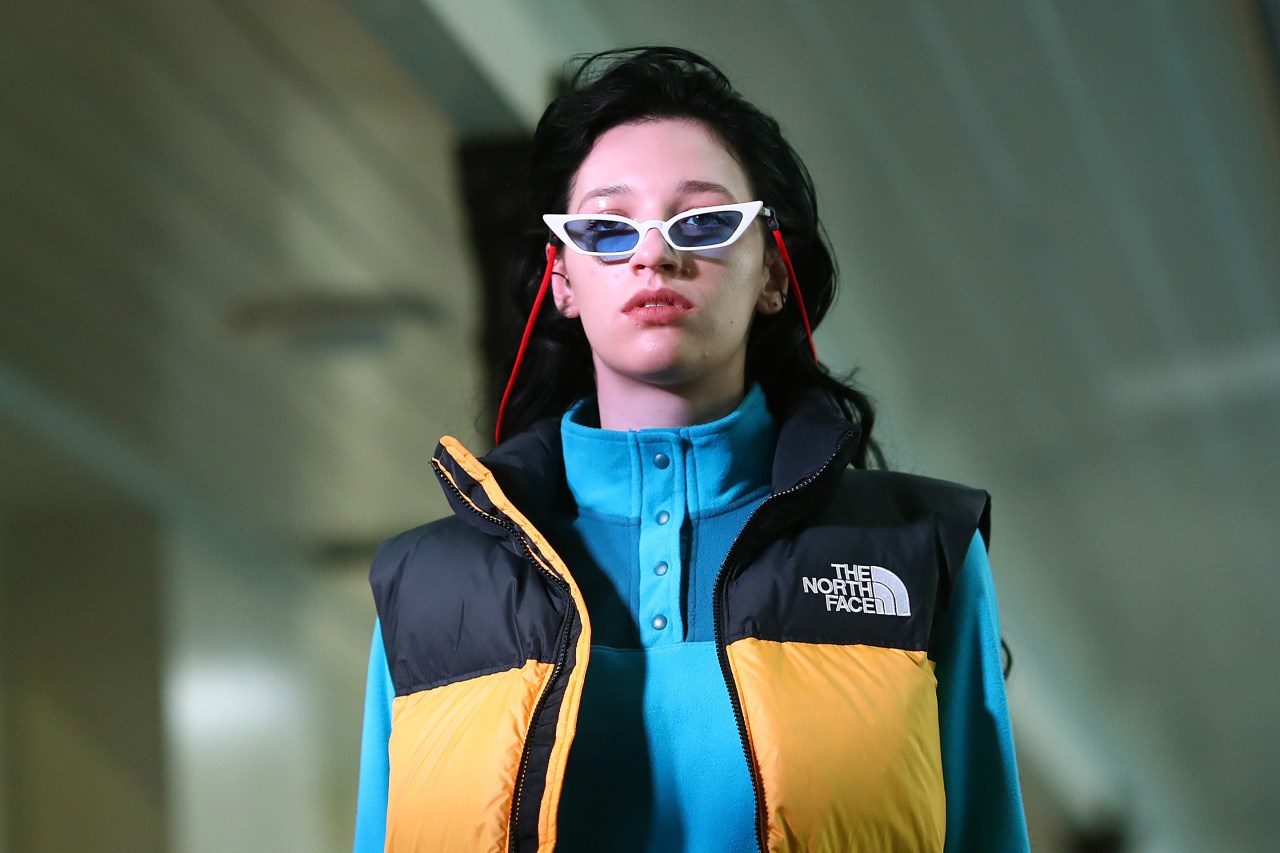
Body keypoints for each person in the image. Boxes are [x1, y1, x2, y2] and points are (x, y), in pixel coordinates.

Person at [354, 46, 1029, 853]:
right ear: (562, 280)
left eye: (703, 222)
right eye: (608, 227)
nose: (653, 254)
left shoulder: (920, 550)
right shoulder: (427, 588)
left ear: (772, 271)